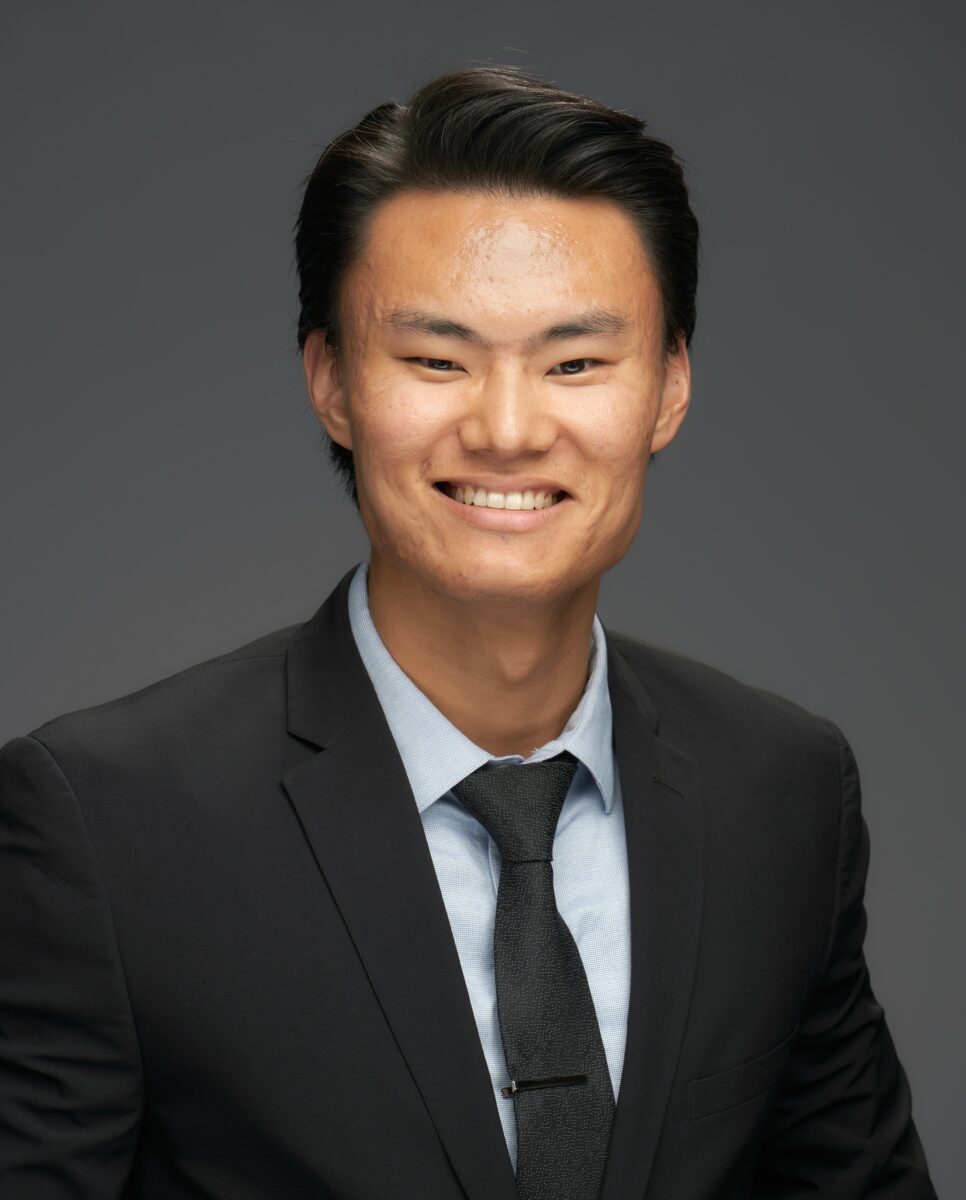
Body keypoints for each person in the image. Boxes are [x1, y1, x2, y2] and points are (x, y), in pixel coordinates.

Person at [0, 64, 937, 1200]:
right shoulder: (105, 823)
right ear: (332, 382)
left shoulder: (781, 790)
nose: (505, 428)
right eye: (437, 360)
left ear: (671, 388)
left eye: (576, 362)